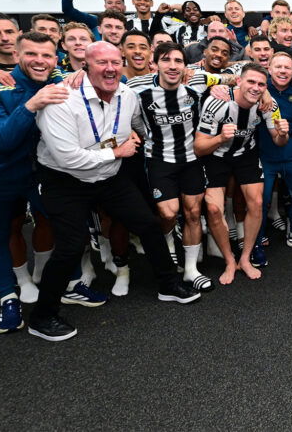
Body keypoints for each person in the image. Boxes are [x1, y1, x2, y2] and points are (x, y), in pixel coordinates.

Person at [32, 41, 199, 342]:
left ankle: (168, 285)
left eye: (114, 62)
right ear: (85, 65)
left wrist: (145, 141)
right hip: (66, 180)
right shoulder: (61, 100)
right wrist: (117, 153)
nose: (109, 69)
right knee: (69, 247)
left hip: (109, 176)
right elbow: (68, 158)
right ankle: (42, 316)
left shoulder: (128, 94)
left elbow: (139, 124)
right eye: (100, 63)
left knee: (149, 224)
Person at [0, 32, 69, 333]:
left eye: (46, 55)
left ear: (55, 58)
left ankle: (41, 274)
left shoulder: (58, 80)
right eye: (31, 54)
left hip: (35, 172)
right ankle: (10, 294)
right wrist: (32, 105)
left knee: (55, 220)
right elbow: (1, 139)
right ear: (17, 55)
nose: (39, 61)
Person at [126, 42, 219, 290]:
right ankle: (168, 245)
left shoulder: (195, 90)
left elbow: (233, 75)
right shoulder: (139, 94)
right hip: (159, 160)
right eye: (166, 60)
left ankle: (191, 270)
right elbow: (136, 123)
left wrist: (224, 87)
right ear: (154, 64)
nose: (173, 65)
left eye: (178, 61)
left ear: (185, 67)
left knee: (192, 213)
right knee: (168, 213)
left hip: (191, 160)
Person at [195, 62, 288, 279]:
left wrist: (282, 133)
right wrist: (220, 138)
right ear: (239, 81)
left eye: (261, 85)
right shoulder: (217, 102)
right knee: (215, 210)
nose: (256, 88)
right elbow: (199, 148)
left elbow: (278, 140)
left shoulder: (268, 104)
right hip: (216, 156)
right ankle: (229, 261)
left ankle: (245, 258)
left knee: (257, 202)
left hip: (246, 154)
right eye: (251, 82)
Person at [259, 52, 292, 254]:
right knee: (261, 200)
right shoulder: (258, 87)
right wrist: (263, 91)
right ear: (269, 69)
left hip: (290, 153)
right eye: (278, 67)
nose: (282, 71)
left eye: (287, 67)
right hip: (264, 156)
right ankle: (257, 237)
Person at [61, 0, 125, 39]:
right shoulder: (94, 20)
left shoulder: (132, 23)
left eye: (118, 3)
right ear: (105, 6)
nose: (114, 5)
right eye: (110, 3)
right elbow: (68, 10)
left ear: (124, 6)